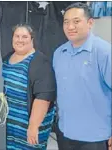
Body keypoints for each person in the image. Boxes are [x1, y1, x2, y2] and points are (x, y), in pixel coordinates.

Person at [53, 2, 111, 150]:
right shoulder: (59, 53)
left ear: (90, 22)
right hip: (65, 133)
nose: (70, 27)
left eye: (76, 21)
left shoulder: (103, 52)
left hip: (95, 137)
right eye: (66, 22)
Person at [2, 24, 56, 150]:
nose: (20, 40)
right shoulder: (7, 58)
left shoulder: (40, 62)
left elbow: (44, 97)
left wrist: (33, 126)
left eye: (24, 36)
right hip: (10, 126)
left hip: (29, 127)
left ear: (32, 40)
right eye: (17, 36)